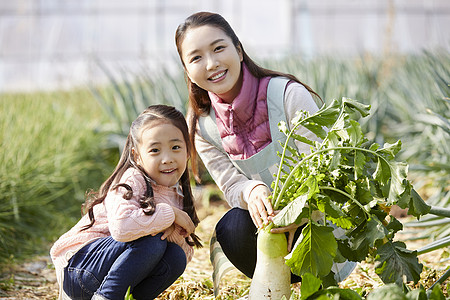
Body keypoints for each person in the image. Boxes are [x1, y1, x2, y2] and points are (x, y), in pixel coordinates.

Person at [175, 11, 355, 284]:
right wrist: (252, 190)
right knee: (231, 228)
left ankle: (319, 278)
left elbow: (327, 172)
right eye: (196, 57)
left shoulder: (287, 95)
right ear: (187, 69)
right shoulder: (203, 127)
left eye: (218, 48)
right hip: (269, 227)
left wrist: (299, 210)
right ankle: (276, 283)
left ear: (238, 50)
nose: (211, 64)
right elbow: (231, 185)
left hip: (319, 223)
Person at [50, 105, 202, 300]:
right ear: (137, 156)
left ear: (187, 151)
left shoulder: (178, 198)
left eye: (175, 147)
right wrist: (169, 215)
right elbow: (122, 228)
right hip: (80, 271)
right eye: (155, 150)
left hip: (114, 275)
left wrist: (173, 231)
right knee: (151, 241)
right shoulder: (131, 180)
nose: (167, 159)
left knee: (175, 257)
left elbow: (184, 254)